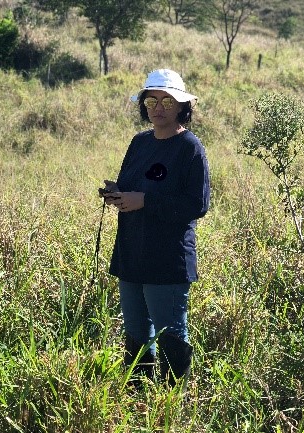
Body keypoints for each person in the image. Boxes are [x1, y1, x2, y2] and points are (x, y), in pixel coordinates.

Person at [99, 69, 210, 389]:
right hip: (132, 251)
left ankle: (173, 403)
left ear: (181, 106)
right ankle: (139, 398)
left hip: (167, 258)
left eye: (166, 100)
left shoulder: (190, 147)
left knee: (170, 333)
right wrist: (117, 195)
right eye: (151, 100)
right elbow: (132, 187)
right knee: (135, 332)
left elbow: (196, 205)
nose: (157, 107)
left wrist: (145, 200)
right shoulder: (139, 142)